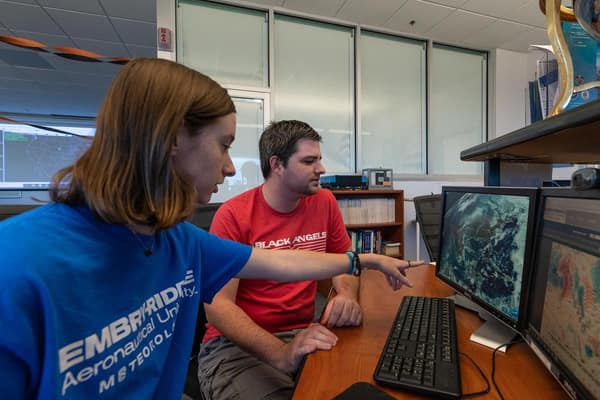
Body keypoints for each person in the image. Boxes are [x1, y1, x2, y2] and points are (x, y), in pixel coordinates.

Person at [0, 58, 420, 400]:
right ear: (171, 138)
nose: (231, 166)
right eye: (224, 145)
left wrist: (362, 260)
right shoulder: (16, 266)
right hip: (242, 353)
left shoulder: (177, 241)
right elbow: (229, 299)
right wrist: (279, 352)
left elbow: (279, 263)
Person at [197, 120, 362, 400]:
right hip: (235, 347)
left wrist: (347, 294)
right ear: (276, 165)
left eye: (319, 160)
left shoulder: (324, 202)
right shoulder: (233, 215)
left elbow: (344, 263)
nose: (321, 169)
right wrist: (282, 353)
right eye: (309, 161)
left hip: (304, 333)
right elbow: (218, 307)